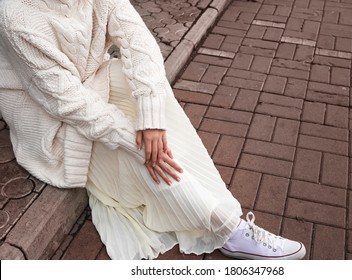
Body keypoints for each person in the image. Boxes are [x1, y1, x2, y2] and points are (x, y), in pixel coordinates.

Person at [0, 0, 306, 260]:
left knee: (154, 99)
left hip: (95, 80)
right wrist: (136, 140)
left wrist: (151, 119)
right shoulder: (14, 15)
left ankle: (216, 208)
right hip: (52, 121)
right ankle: (230, 230)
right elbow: (64, 100)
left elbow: (137, 40)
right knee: (142, 151)